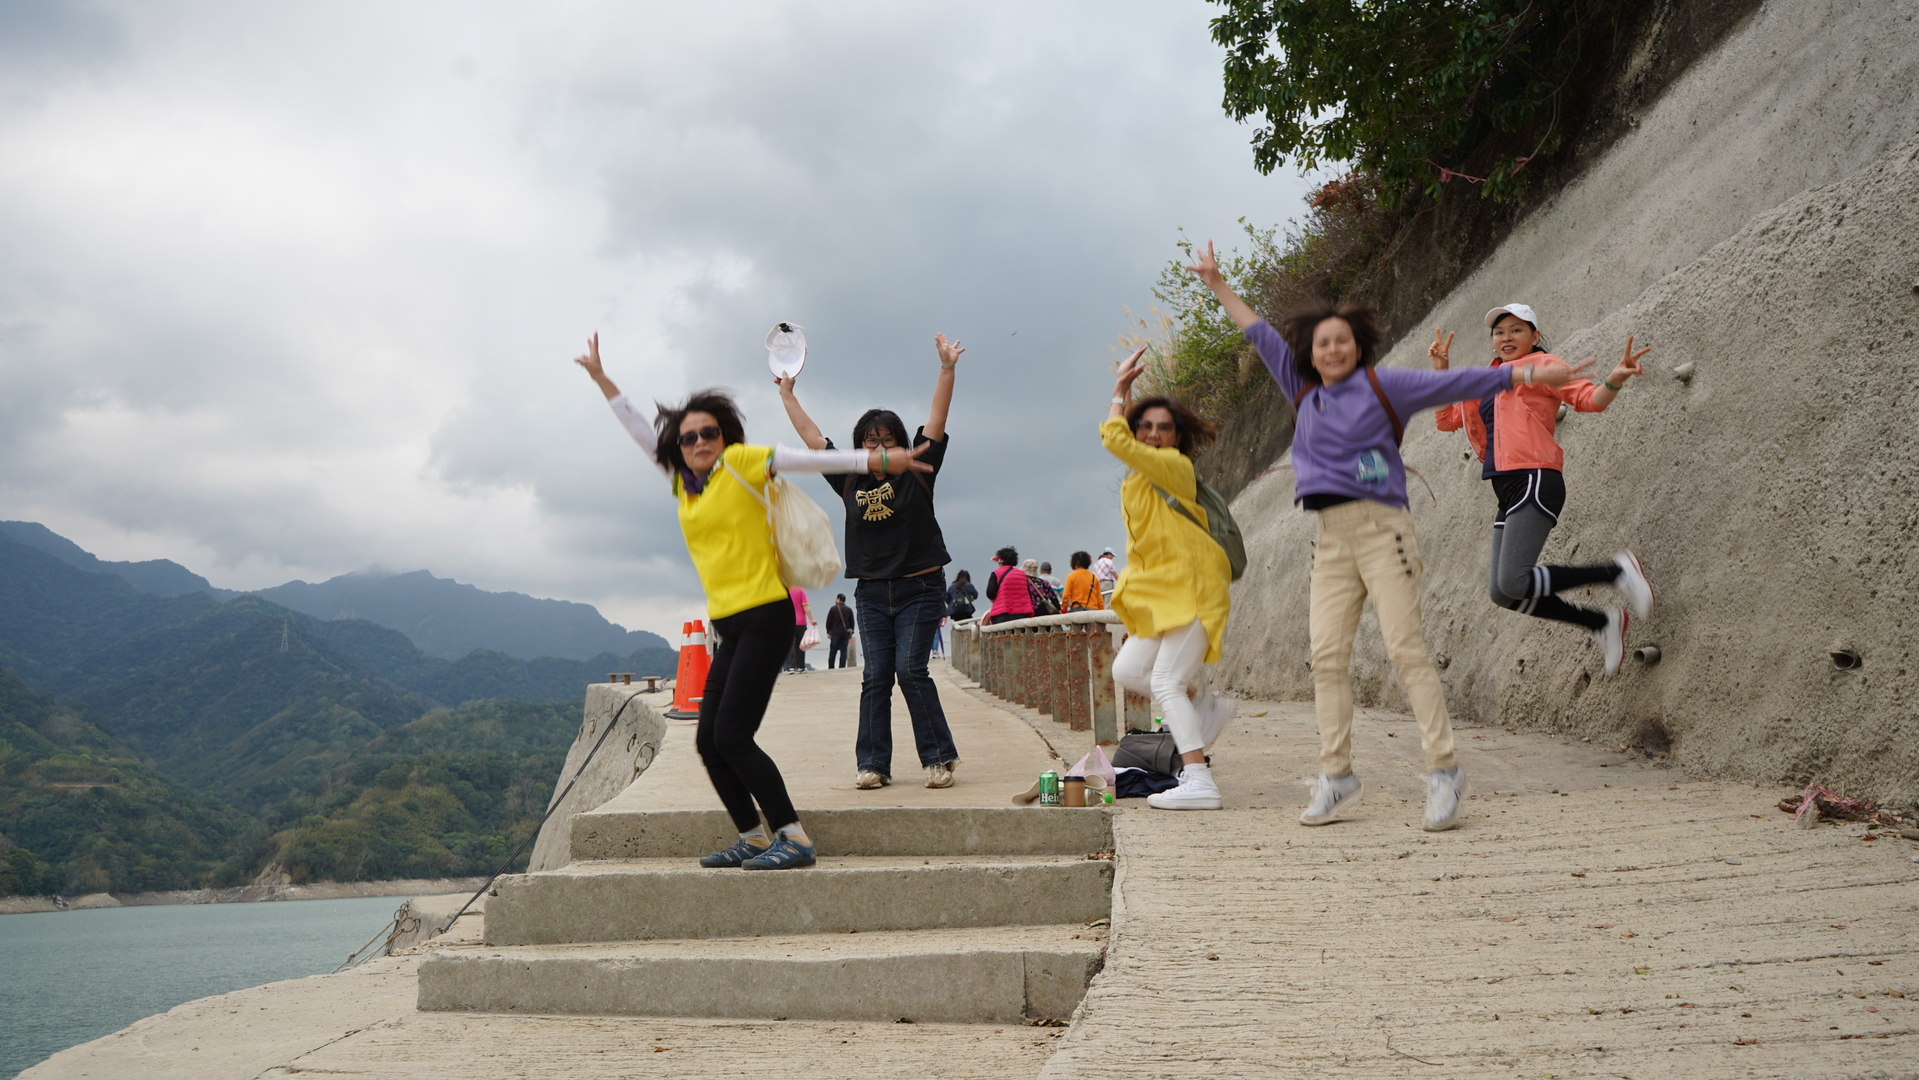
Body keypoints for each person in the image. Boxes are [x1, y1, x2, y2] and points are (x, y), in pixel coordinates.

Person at [1190, 240, 1599, 831]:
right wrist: (1216, 283)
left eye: (1342, 340)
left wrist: (1533, 370)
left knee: (1406, 650)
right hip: (1330, 540)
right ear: (1311, 352)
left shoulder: (1388, 387)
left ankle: (1445, 771)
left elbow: (1465, 382)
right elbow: (1260, 334)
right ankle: (1336, 776)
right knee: (1325, 657)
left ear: (1358, 347)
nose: (1332, 349)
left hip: (1384, 531)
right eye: (1322, 342)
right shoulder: (1302, 390)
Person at [574, 332, 932, 869]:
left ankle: (795, 837)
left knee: (733, 735)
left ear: (724, 437)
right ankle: (754, 836)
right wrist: (603, 379)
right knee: (708, 741)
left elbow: (803, 459)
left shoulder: (741, 462)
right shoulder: (683, 483)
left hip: (767, 617)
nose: (699, 441)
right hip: (729, 625)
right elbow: (639, 429)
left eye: (709, 432)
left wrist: (883, 460)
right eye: (689, 436)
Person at [777, 334, 964, 791]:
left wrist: (947, 368)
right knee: (876, 676)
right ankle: (874, 765)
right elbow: (813, 439)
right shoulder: (848, 477)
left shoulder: (918, 466)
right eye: (869, 441)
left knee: (910, 671)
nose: (879, 447)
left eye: (887, 440)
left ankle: (939, 759)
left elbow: (937, 420)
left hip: (921, 587)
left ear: (901, 444)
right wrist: (787, 393)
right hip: (873, 593)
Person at [1430, 306, 1656, 673]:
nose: (1506, 337)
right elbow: (1445, 420)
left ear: (1534, 337)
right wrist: (1441, 369)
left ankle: (1616, 572)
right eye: (1499, 332)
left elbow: (1589, 400)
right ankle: (1600, 623)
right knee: (1503, 592)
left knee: (1515, 578)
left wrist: (1615, 379)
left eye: (1516, 330)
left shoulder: (1542, 366)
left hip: (1534, 475)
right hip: (1506, 488)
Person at [1103, 348, 1238, 811]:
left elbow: (1116, 441)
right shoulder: (1137, 482)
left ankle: (1199, 781)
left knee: (1165, 681)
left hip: (1195, 589)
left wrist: (1119, 392)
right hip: (1164, 597)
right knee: (1127, 670)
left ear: (1178, 438)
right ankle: (1205, 706)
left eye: (1164, 428)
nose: (1153, 434)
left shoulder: (1176, 469)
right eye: (1146, 426)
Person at [984, 547, 1033, 624]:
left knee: (1002, 632)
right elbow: (1028, 592)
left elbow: (990, 593)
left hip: (1002, 612)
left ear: (1000, 561)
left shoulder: (996, 573)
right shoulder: (1022, 574)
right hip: (1021, 612)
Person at [786, 586, 814, 673]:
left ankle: (790, 667)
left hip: (788, 622)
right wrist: (811, 619)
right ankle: (800, 666)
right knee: (801, 645)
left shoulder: (785, 591)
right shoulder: (801, 591)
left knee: (790, 645)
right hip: (801, 622)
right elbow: (805, 605)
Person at [825, 593, 856, 669]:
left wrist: (828, 632)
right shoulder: (849, 609)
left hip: (835, 632)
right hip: (845, 633)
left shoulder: (833, 609)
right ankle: (842, 667)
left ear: (838, 599)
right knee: (844, 651)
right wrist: (851, 632)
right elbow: (852, 623)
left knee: (833, 651)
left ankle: (831, 667)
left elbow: (828, 621)